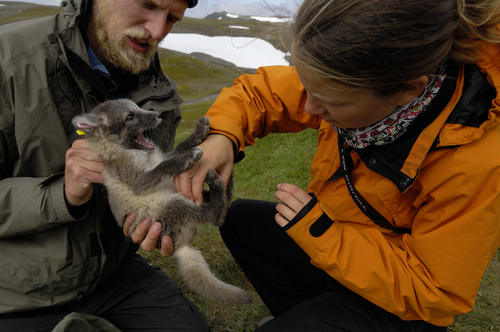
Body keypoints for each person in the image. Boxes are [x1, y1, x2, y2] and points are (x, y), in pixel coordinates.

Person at [174, 0, 500, 331]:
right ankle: (306, 315)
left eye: (332, 102)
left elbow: (433, 290)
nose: (311, 107)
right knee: (240, 221)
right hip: (336, 245)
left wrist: (322, 234)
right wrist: (221, 136)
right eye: (307, 87)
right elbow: (260, 94)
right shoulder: (349, 74)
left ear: (408, 90)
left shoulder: (476, 162)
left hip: (403, 303)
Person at [0, 0, 211, 331]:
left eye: (171, 18)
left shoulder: (160, 92)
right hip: (15, 294)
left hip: (114, 276)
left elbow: (143, 192)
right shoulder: (8, 60)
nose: (157, 31)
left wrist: (158, 218)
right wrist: (61, 194)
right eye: (148, 3)